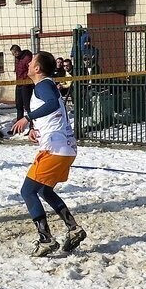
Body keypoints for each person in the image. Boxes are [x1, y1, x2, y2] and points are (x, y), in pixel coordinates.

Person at [12, 51, 86, 257]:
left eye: (31, 61)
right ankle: (74, 228)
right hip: (64, 148)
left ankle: (46, 239)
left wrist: (27, 118)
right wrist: (37, 129)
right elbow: (53, 112)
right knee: (44, 190)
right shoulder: (45, 85)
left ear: (37, 68)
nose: (27, 64)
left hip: (55, 149)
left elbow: (53, 103)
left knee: (27, 191)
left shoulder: (44, 84)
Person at [10, 44, 33, 122]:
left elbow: (30, 71)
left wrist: (25, 79)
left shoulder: (27, 58)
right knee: (19, 105)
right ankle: (18, 124)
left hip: (26, 84)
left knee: (27, 106)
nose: (13, 55)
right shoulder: (17, 58)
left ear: (16, 52)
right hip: (19, 83)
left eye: (13, 53)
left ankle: (32, 125)